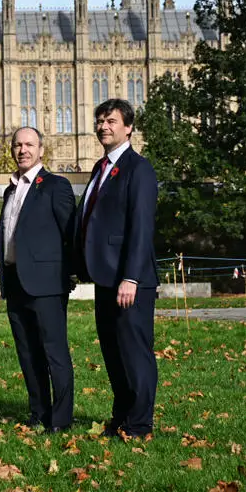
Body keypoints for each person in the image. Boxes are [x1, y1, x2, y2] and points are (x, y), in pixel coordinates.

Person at [75, 98, 158, 439]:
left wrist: (131, 276)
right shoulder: (100, 168)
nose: (103, 127)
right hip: (105, 277)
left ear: (128, 127)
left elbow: (140, 228)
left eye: (110, 121)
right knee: (113, 352)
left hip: (129, 280)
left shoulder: (138, 169)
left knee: (134, 353)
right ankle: (122, 417)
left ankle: (139, 424)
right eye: (100, 121)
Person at [0, 127, 76, 432]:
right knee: (27, 352)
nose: (22, 149)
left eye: (29, 144)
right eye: (17, 145)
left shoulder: (56, 185)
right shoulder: (10, 190)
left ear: (41, 150)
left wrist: (68, 274)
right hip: (15, 280)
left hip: (47, 284)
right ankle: (38, 412)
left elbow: (70, 234)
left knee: (54, 352)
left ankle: (61, 419)